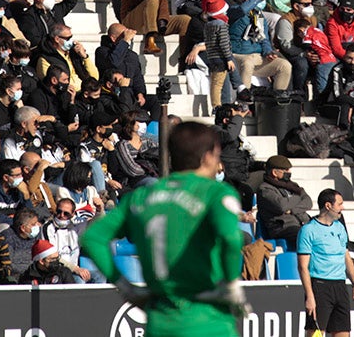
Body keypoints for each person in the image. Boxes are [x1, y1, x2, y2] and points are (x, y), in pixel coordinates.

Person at [82, 122, 248, 337]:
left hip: (160, 322)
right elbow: (231, 239)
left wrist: (125, 287)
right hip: (208, 319)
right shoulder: (216, 193)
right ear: (208, 156)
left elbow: (92, 238)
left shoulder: (141, 197)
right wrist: (232, 283)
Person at [297, 188, 354, 337]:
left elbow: (345, 255)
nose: (342, 208)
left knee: (343, 332)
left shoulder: (340, 227)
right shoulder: (308, 230)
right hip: (320, 286)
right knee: (316, 333)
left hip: (339, 285)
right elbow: (303, 267)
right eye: (339, 204)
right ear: (328, 206)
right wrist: (310, 296)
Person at [256, 155, 313, 249]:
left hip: (303, 222)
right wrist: (298, 197)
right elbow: (281, 206)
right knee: (304, 235)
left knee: (331, 224)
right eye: (285, 170)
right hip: (283, 227)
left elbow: (308, 202)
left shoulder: (293, 185)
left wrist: (292, 210)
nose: (289, 172)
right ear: (274, 172)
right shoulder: (265, 189)